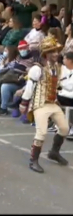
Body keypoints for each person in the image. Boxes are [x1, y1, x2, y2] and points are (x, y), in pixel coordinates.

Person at [20, 35, 69, 173]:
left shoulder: (59, 68)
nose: (56, 54)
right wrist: (24, 102)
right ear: (46, 54)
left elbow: (65, 84)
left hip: (53, 103)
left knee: (64, 128)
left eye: (56, 51)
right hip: (40, 104)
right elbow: (30, 87)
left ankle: (54, 152)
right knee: (41, 132)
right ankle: (33, 160)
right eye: (52, 51)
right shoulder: (37, 69)